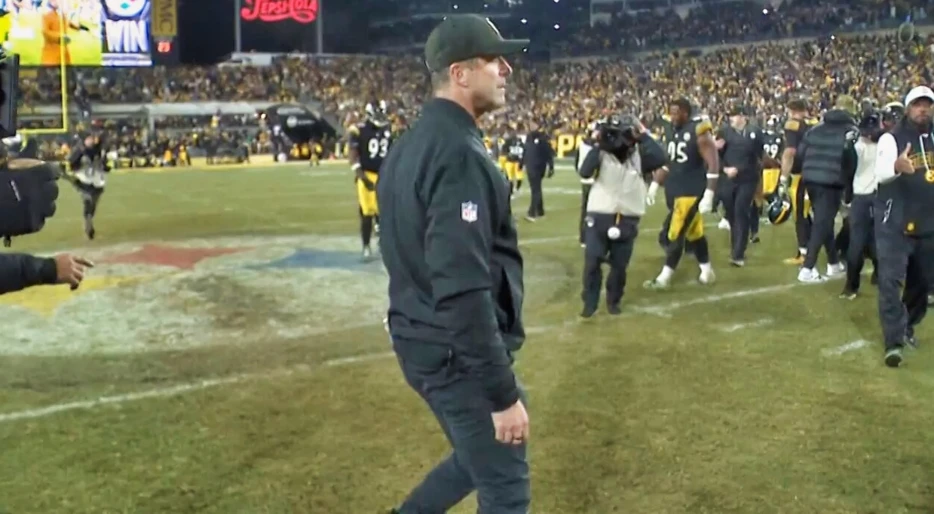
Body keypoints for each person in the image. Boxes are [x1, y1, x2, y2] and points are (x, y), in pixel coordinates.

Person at [376, 14, 531, 513]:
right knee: (505, 482)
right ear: (460, 73)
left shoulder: (409, 146)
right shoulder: (457, 153)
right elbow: (463, 288)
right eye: (493, 59)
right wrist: (502, 394)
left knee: (475, 457)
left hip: (422, 340)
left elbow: (403, 252)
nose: (506, 68)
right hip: (453, 353)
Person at [579, 114, 667, 317]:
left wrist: (643, 135)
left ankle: (613, 301)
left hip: (628, 215)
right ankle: (589, 302)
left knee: (619, 265)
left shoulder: (640, 155)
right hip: (600, 212)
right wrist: (599, 143)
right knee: (592, 260)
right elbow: (584, 172)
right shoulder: (600, 154)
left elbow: (661, 158)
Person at [873, 86, 934, 367]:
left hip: (929, 222)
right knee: (890, 281)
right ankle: (893, 342)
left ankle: (907, 325)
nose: (923, 109)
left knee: (922, 284)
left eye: (927, 104)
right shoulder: (891, 138)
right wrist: (897, 166)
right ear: (908, 108)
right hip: (894, 222)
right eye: (918, 104)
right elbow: (881, 174)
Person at [643, 97, 719, 290]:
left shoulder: (699, 131)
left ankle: (664, 278)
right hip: (675, 189)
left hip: (691, 190)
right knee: (694, 234)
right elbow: (669, 163)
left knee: (675, 235)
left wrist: (709, 192)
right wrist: (655, 184)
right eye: (672, 112)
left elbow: (713, 162)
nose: (673, 116)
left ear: (686, 112)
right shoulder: (671, 130)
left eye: (677, 112)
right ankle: (707, 272)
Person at [794, 95, 858, 283]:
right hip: (832, 180)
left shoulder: (815, 129)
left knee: (824, 221)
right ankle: (807, 268)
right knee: (822, 223)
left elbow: (800, 154)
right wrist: (849, 187)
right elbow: (851, 160)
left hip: (810, 178)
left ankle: (833, 263)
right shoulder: (851, 131)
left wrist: (802, 171)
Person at [715, 105, 767, 266]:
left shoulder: (755, 132)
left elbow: (759, 156)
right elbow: (716, 154)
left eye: (735, 115)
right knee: (731, 214)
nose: (731, 118)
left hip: (748, 178)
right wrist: (724, 168)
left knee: (741, 210)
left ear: (744, 116)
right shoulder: (724, 132)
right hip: (728, 178)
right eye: (730, 115)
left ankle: (738, 253)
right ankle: (735, 247)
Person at [839, 109, 882, 299]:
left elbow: (846, 171)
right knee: (877, 239)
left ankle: (851, 286)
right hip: (879, 197)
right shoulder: (884, 146)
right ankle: (879, 276)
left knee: (857, 243)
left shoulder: (855, 148)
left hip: (861, 197)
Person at [348, 102, 394, 260]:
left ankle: (384, 244)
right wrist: (361, 175)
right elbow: (353, 153)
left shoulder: (388, 129)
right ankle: (366, 246)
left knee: (384, 213)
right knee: (367, 212)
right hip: (367, 174)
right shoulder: (358, 130)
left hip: (385, 174)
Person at [779, 99, 814, 265]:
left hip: (800, 175)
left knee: (800, 213)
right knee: (811, 213)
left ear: (792, 111)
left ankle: (804, 253)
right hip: (817, 173)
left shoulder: (792, 124)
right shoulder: (814, 123)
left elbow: (790, 152)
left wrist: (783, 177)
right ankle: (815, 246)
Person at [522, 119, 554, 221]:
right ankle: (540, 211)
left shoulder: (542, 138)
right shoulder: (530, 137)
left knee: (535, 190)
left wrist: (551, 167)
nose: (530, 126)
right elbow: (525, 151)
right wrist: (522, 163)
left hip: (537, 166)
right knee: (537, 188)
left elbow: (548, 153)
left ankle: (532, 213)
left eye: (533, 124)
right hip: (531, 165)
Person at [576, 122, 598, 247]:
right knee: (595, 211)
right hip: (594, 181)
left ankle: (583, 237)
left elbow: (576, 164)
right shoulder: (595, 147)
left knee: (585, 210)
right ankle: (590, 236)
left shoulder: (582, 144)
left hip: (584, 180)